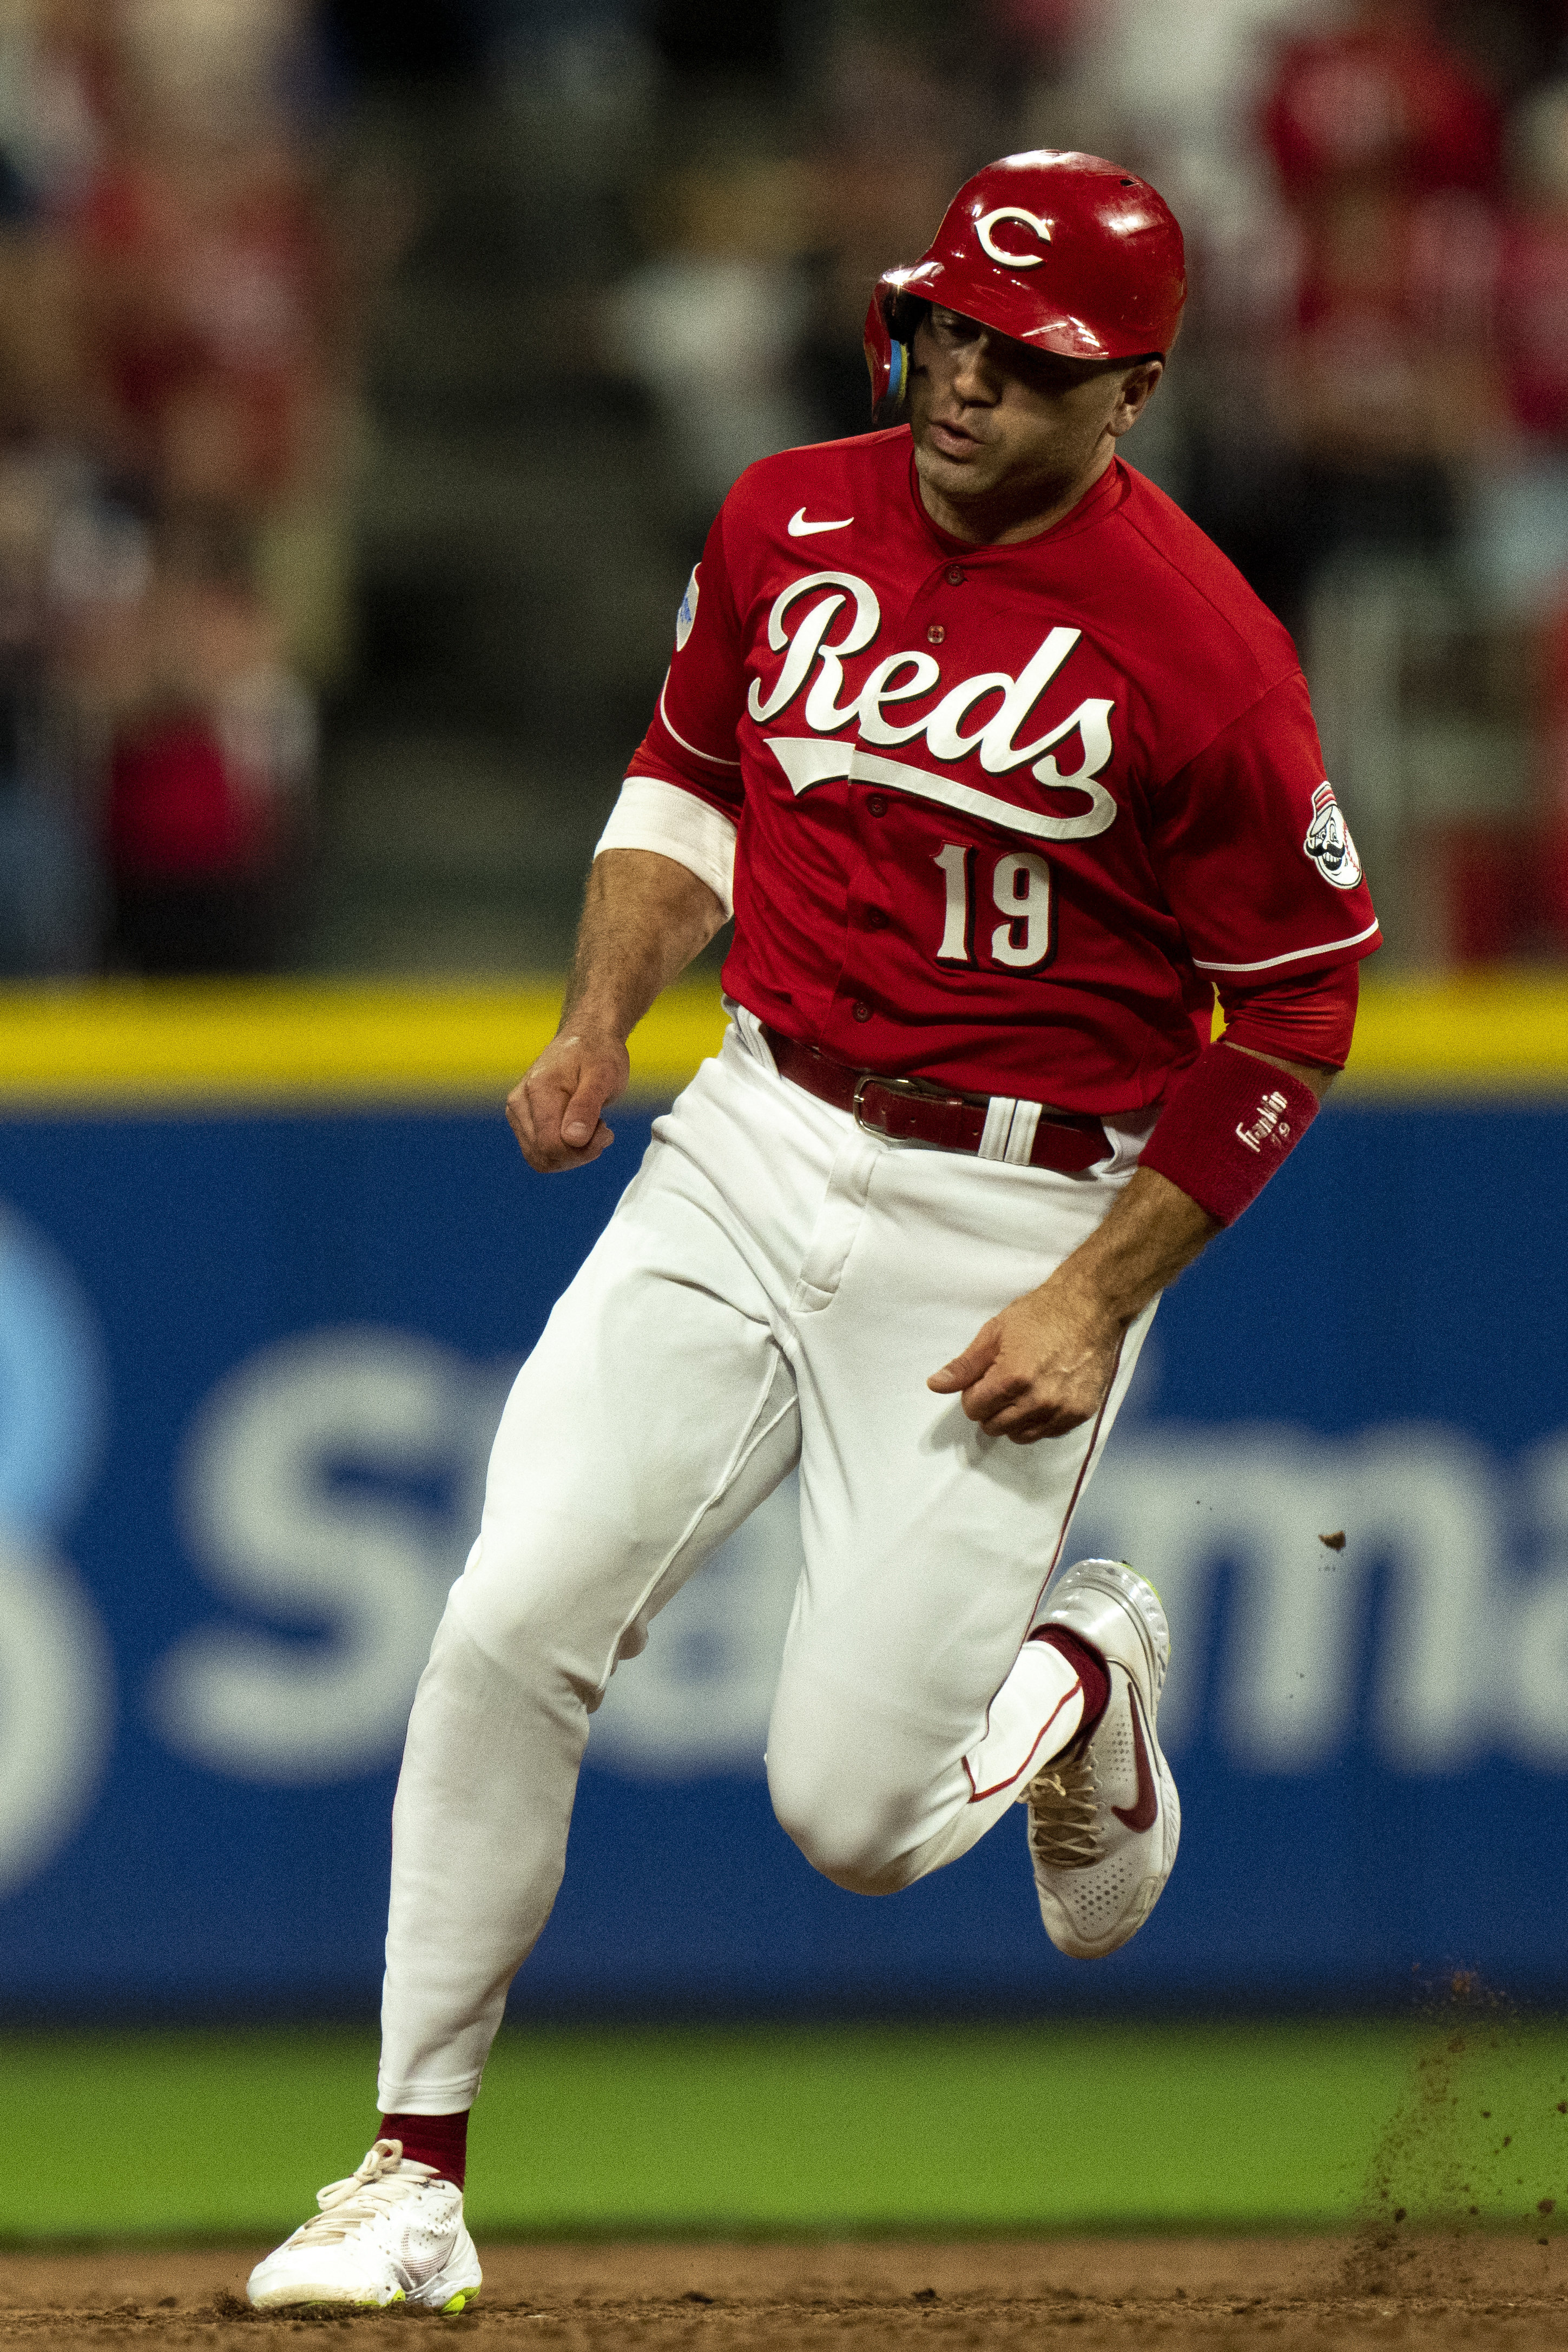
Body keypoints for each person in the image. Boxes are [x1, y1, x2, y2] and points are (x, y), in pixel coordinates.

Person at [247, 149, 1380, 2311]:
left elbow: (1297, 999)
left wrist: (1089, 1289)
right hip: (752, 1127)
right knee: (509, 1610)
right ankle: (403, 2173)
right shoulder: (787, 516)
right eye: (942, 327)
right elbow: (684, 784)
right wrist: (597, 1019)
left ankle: (1085, 1670)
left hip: (1017, 1202)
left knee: (853, 1821)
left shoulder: (1204, 653)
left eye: (1020, 357)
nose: (960, 378)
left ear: (1127, 387)